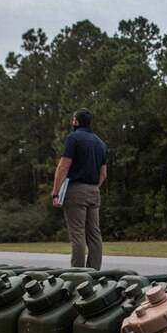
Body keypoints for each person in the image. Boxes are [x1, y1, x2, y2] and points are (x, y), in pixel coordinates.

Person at [51, 108, 107, 270]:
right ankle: (94, 272)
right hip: (94, 191)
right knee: (95, 235)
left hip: (76, 190)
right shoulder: (100, 143)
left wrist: (56, 192)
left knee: (77, 235)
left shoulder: (73, 138)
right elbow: (103, 173)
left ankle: (78, 274)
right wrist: (94, 188)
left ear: (76, 121)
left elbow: (63, 167)